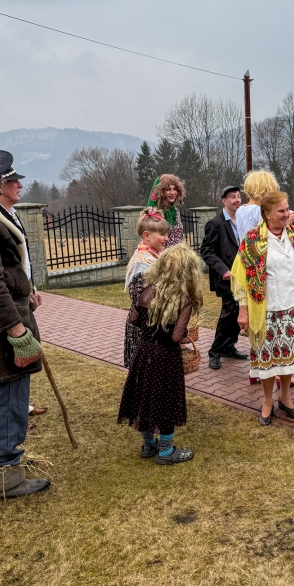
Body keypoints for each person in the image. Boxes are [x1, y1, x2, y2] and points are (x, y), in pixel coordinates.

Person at [0, 137, 49, 499]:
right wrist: (18, 331)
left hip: (2, 321)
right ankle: (4, 475)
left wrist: (24, 291)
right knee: (4, 397)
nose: (0, 179)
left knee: (11, 395)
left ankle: (8, 460)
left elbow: (3, 272)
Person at [231, 191, 294, 425]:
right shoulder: (253, 240)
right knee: (268, 358)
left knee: (289, 357)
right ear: (267, 214)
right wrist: (243, 311)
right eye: (281, 211)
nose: (287, 214)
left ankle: (284, 396)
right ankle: (267, 401)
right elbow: (242, 280)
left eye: (287, 209)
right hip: (267, 311)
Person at [117, 243, 204, 465]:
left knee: (144, 397)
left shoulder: (148, 290)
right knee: (166, 401)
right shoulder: (184, 299)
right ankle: (165, 452)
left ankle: (148, 444)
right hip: (166, 357)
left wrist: (150, 331)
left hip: (144, 352)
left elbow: (133, 319)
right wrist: (182, 333)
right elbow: (176, 337)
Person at [0, 166, 47, 419]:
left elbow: (22, 259)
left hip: (20, 297)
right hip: (6, 302)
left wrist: (31, 287)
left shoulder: (11, 214)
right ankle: (13, 415)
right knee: (11, 359)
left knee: (24, 359)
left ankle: (20, 409)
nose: (20, 186)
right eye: (14, 181)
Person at [200, 185, 248, 370]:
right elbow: (207, 251)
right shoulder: (215, 224)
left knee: (238, 311)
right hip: (226, 277)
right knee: (229, 313)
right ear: (224, 201)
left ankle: (229, 346)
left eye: (238, 196)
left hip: (242, 276)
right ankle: (215, 351)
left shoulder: (243, 221)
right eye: (232, 197)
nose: (237, 200)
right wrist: (223, 270)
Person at [123, 209, 170, 367]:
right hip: (146, 327)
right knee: (146, 373)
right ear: (146, 235)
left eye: (167, 234)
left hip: (155, 321)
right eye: (162, 234)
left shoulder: (155, 254)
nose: (167, 238)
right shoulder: (142, 262)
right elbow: (141, 301)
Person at [235, 169, 279, 244]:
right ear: (263, 191)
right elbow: (269, 235)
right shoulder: (258, 211)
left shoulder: (240, 210)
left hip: (244, 249)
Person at [147, 174, 186, 247]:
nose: (172, 193)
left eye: (174, 189)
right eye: (168, 189)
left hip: (176, 252)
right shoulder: (153, 213)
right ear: (160, 191)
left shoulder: (174, 211)